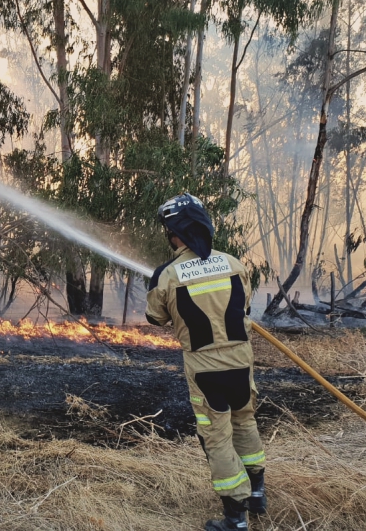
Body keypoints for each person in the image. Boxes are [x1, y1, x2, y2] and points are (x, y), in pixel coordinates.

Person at [144, 193, 265, 531]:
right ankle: (257, 494)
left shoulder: (167, 275)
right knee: (245, 422)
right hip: (241, 361)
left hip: (206, 368)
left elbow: (156, 318)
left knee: (216, 437)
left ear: (176, 233)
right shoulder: (234, 263)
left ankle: (235, 518)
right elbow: (245, 307)